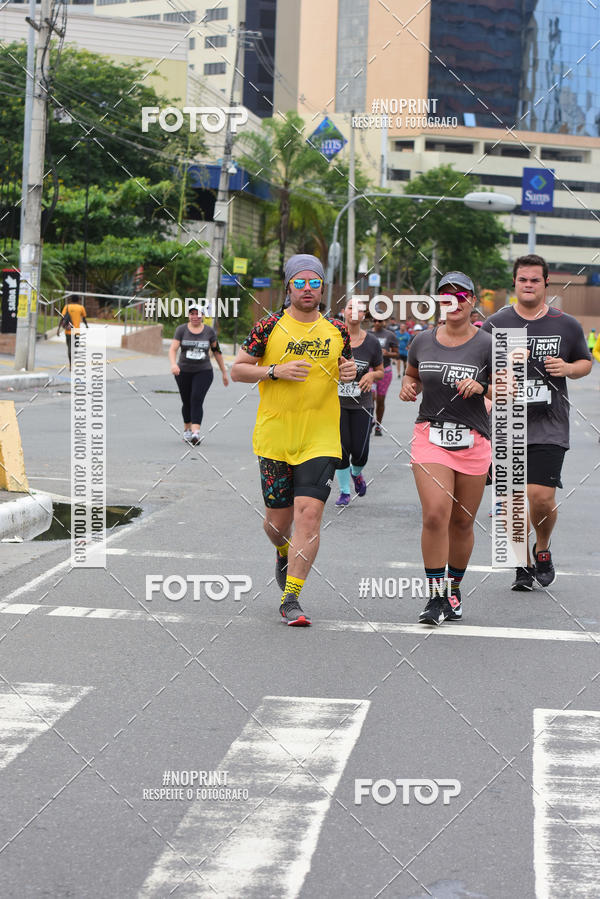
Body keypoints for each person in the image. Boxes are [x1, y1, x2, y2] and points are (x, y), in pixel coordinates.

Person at [231, 254, 356, 626]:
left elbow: (345, 368)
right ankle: (282, 552)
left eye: (314, 283)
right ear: (288, 286)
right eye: (299, 283)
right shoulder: (268, 327)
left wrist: (349, 371)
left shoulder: (337, 329)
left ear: (323, 287)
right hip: (274, 438)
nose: (307, 289)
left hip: (320, 438)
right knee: (276, 525)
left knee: (310, 515)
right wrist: (274, 371)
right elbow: (237, 370)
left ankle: (291, 599)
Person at [481, 254, 592, 590]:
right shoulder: (495, 323)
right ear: (514, 283)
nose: (528, 285)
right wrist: (490, 393)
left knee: (540, 496)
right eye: (522, 280)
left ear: (546, 283)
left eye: (534, 280)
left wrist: (568, 369)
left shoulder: (566, 324)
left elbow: (585, 362)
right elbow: (480, 369)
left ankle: (541, 547)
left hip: (549, 421)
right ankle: (522, 565)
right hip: (506, 421)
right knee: (514, 499)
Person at [400, 271, 492, 625]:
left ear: (472, 300)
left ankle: (454, 589)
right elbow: (412, 375)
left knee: (462, 521)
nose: (453, 300)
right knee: (436, 513)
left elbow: (507, 389)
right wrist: (409, 387)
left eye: (460, 294)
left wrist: (481, 387)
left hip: (473, 440)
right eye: (445, 294)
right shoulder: (422, 340)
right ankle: (436, 596)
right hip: (430, 435)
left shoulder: (488, 344)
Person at [335, 299, 384, 506]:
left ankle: (357, 473)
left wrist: (371, 377)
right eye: (351, 307)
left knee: (360, 452)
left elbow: (380, 370)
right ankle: (345, 492)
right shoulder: (333, 337)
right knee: (342, 450)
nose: (355, 312)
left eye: (360, 309)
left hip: (362, 403)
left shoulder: (372, 342)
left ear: (365, 316)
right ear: (343, 312)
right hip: (336, 404)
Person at [169, 303, 228, 445]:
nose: (195, 316)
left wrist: (224, 372)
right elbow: (173, 349)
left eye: (198, 314)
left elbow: (217, 352)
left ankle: (195, 433)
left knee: (196, 398)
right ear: (189, 315)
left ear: (202, 316)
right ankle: (187, 429)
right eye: (192, 314)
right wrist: (173, 364)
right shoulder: (181, 330)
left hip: (204, 371)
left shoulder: (209, 332)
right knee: (186, 401)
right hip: (183, 371)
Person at [371, 317, 398, 435]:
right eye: (375, 321)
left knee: (381, 400)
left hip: (385, 370)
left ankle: (378, 425)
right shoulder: (367, 334)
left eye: (380, 321)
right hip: (370, 370)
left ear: (384, 322)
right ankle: (368, 420)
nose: (377, 323)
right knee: (370, 397)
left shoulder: (390, 335)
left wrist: (388, 353)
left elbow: (397, 354)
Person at [57, 294, 88, 368]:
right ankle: (73, 356)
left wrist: (58, 329)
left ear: (71, 300)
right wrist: (86, 325)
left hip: (68, 331)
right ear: (78, 300)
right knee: (75, 347)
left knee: (69, 348)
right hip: (76, 331)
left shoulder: (67, 307)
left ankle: (71, 364)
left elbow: (62, 318)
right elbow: (84, 318)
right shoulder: (81, 308)